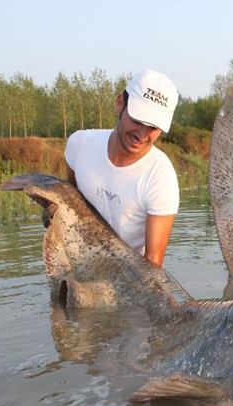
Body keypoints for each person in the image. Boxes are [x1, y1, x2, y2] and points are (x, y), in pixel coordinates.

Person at [65, 69, 180, 267]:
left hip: (128, 274)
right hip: (76, 261)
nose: (142, 135)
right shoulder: (80, 143)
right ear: (120, 103)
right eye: (137, 120)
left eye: (153, 127)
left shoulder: (161, 176)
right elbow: (68, 201)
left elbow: (153, 264)